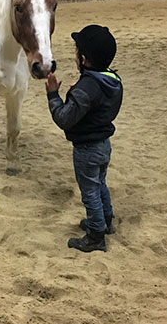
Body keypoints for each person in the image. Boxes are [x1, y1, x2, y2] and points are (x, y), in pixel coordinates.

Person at [45, 25, 123, 252]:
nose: (74, 55)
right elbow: (99, 103)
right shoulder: (112, 80)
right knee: (100, 185)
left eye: (76, 51)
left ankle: (96, 235)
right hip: (103, 145)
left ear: (84, 58)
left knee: (89, 191)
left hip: (86, 149)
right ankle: (105, 221)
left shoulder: (86, 88)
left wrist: (53, 95)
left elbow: (64, 119)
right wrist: (81, 93)